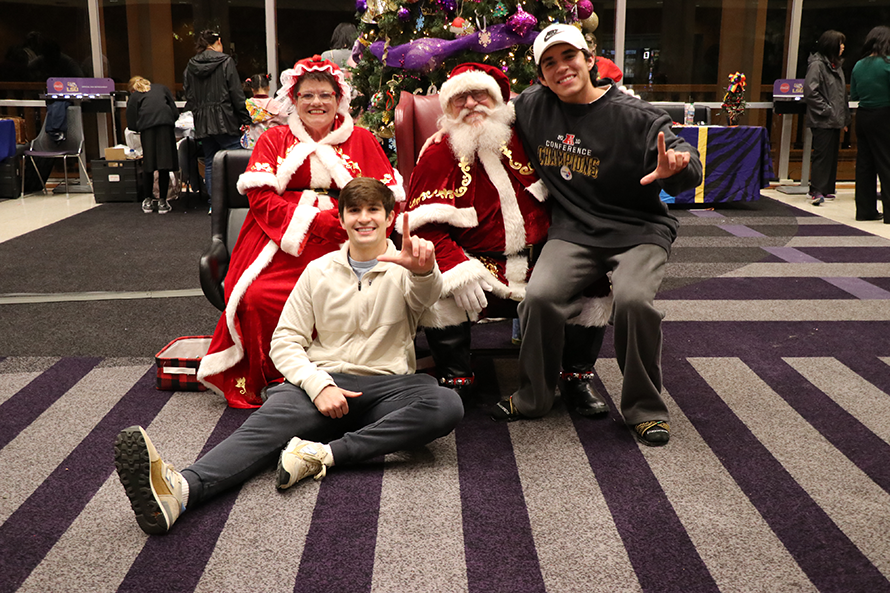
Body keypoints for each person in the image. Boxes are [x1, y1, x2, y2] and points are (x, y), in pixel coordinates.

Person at [114, 177, 463, 535]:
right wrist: (317, 384)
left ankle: (320, 455)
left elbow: (427, 296)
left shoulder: (406, 268)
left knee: (445, 403)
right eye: (354, 210)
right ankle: (181, 491)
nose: (364, 218)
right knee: (258, 433)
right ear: (341, 219)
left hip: (388, 388)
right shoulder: (319, 270)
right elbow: (284, 341)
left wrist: (423, 271)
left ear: (389, 218)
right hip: (323, 383)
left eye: (374, 209)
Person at [493, 24, 701, 447]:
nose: (560, 68)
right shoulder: (533, 107)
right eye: (548, 62)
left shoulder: (635, 116)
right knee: (539, 298)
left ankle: (644, 408)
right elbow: (482, 113)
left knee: (634, 302)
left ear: (589, 59)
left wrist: (677, 169)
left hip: (638, 229)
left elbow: (688, 162)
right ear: (540, 75)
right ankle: (534, 396)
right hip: (573, 230)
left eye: (568, 56)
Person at [405, 62, 612, 416]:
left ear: (498, 98)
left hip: (543, 257)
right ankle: (457, 378)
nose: (471, 103)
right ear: (448, 107)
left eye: (480, 94)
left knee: (595, 286)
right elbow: (422, 227)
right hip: (477, 261)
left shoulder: (529, 138)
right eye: (460, 98)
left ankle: (576, 377)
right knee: (439, 290)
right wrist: (458, 268)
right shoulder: (439, 153)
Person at [197, 55, 404, 408]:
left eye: (325, 95)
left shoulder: (364, 140)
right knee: (257, 296)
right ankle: (278, 377)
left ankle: (342, 371)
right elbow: (261, 198)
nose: (316, 103)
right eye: (307, 96)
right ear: (293, 100)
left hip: (349, 240)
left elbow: (388, 198)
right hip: (279, 241)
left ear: (340, 99)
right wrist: (315, 222)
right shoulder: (274, 139)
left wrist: (349, 226)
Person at [183, 30, 251, 200]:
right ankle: (237, 198)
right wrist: (244, 118)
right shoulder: (226, 61)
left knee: (210, 161)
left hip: (203, 122)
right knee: (236, 160)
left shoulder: (191, 65)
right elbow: (236, 93)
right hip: (225, 120)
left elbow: (189, 94)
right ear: (218, 42)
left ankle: (215, 203)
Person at [803, 30, 851, 206]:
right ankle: (816, 189)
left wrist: (844, 118)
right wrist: (827, 110)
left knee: (831, 154)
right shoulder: (817, 65)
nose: (843, 47)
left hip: (835, 118)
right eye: (840, 43)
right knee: (822, 155)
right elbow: (810, 91)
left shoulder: (836, 65)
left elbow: (842, 96)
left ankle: (827, 188)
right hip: (822, 119)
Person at [850, 25, 890, 223]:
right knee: (886, 163)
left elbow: (855, 95)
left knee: (865, 165)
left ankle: (865, 211)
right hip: (884, 115)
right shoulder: (887, 64)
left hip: (863, 116)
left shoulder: (859, 65)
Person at [125, 75, 179, 214]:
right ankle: (162, 201)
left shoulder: (135, 95)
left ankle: (148, 200)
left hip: (147, 128)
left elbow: (131, 121)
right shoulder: (161, 88)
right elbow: (174, 111)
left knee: (149, 164)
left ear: (132, 89)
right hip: (165, 126)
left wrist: (139, 128)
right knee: (164, 165)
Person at [241, 73, 288, 149]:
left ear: (252, 89)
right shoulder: (276, 105)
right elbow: (286, 122)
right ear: (268, 87)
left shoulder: (246, 105)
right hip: (272, 144)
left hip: (251, 146)